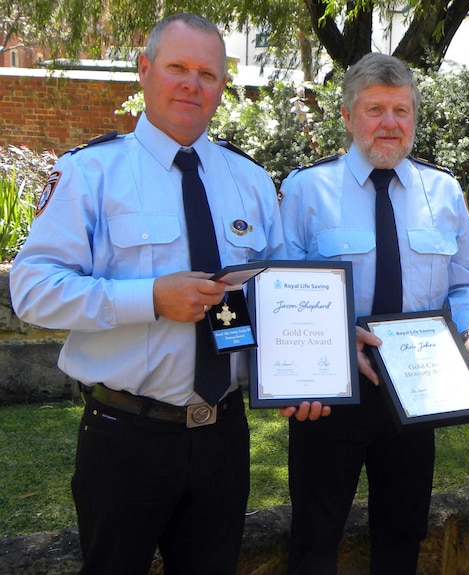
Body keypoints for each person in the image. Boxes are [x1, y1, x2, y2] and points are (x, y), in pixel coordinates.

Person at [9, 13, 300, 575]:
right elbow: (33, 290)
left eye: (207, 74)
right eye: (177, 68)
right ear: (144, 71)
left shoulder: (252, 182)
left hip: (223, 435)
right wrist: (150, 299)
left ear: (222, 85)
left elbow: (278, 295)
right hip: (126, 437)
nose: (192, 84)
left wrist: (318, 353)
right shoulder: (90, 172)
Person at [278, 52, 469, 574]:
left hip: (418, 390)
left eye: (402, 110)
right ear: (349, 117)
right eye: (375, 110)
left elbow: (468, 281)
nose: (390, 123)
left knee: (402, 533)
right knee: (315, 535)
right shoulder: (307, 190)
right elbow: (280, 294)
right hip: (331, 389)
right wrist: (332, 337)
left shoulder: (443, 191)